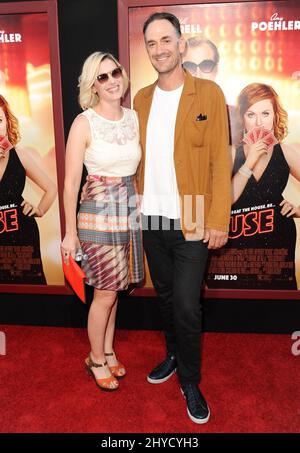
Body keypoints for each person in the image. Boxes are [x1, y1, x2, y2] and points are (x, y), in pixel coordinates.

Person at [133, 12, 231, 423]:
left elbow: (219, 160)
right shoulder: (140, 99)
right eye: (151, 43)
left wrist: (218, 219)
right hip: (150, 215)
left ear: (180, 43)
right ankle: (173, 353)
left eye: (165, 40)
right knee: (167, 298)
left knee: (189, 305)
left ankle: (190, 379)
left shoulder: (207, 93)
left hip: (191, 214)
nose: (159, 49)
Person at [61, 52, 143, 391]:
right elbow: (69, 183)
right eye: (102, 77)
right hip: (97, 211)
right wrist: (69, 233)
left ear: (122, 75)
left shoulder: (135, 117)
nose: (112, 81)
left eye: (115, 73)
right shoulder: (84, 122)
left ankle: (107, 351)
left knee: (115, 289)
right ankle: (95, 359)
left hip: (128, 208)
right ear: (93, 85)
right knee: (105, 292)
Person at [207, 83, 300, 289]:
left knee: (276, 313)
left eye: (265, 113)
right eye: (251, 114)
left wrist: (298, 209)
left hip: (277, 247)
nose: (259, 122)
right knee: (232, 311)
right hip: (234, 246)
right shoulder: (230, 153)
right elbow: (224, 200)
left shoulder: (286, 152)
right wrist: (249, 162)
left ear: (275, 115)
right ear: (242, 118)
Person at [0, 94, 57, 284]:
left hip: (24, 238)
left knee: (29, 294)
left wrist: (39, 209)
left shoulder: (20, 156)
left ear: (7, 122)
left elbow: (51, 188)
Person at [182, 35, 239, 145]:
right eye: (189, 66)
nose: (198, 74)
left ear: (216, 69)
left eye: (206, 65)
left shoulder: (238, 116)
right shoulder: (166, 114)